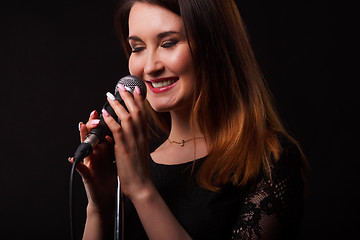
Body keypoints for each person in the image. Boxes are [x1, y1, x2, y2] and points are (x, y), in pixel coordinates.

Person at [69, 0, 308, 239]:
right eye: (137, 47)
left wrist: (143, 191)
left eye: (169, 43)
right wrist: (99, 210)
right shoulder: (134, 163)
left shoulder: (270, 161)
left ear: (214, 45)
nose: (150, 67)